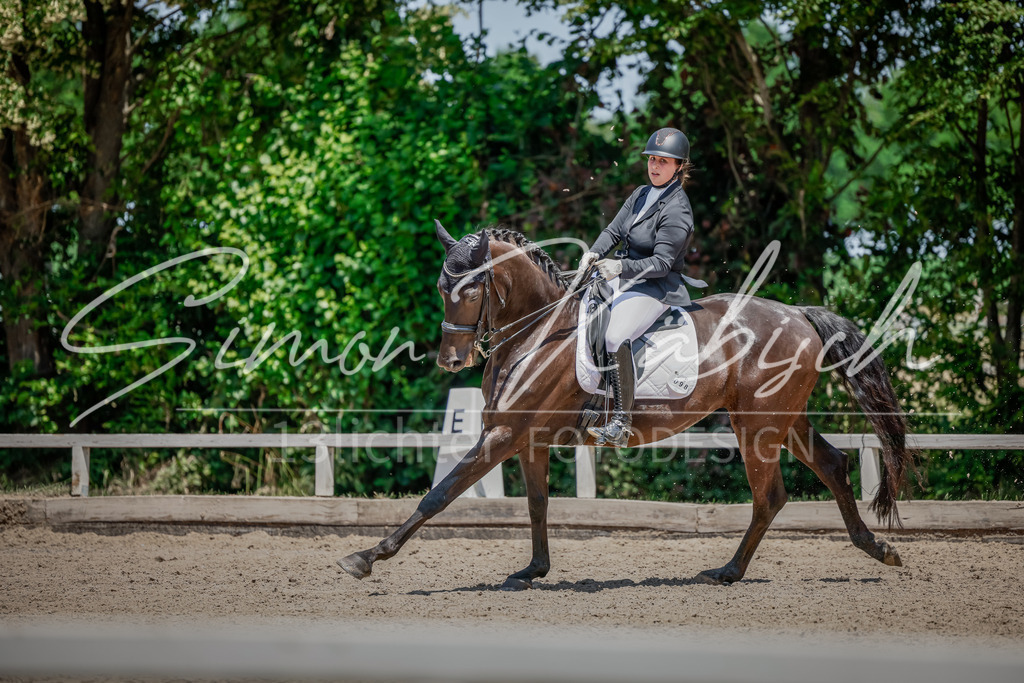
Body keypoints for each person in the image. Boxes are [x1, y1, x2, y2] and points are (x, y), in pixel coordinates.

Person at [579, 127, 704, 447]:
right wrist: (593, 252)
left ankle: (621, 421)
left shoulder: (678, 208)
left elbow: (662, 263)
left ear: (679, 166)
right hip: (624, 280)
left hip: (656, 288)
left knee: (615, 335)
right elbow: (613, 230)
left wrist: (619, 266)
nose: (655, 166)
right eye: (652, 159)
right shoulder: (640, 194)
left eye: (663, 161)